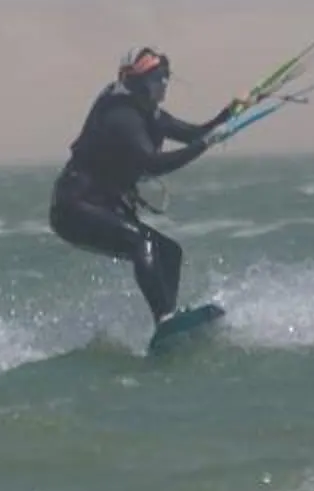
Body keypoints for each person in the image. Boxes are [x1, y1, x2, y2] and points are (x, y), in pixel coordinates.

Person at [49, 47, 245, 323]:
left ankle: (168, 323)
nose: (163, 85)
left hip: (97, 206)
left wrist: (228, 114)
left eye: (165, 78)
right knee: (143, 242)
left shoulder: (149, 114)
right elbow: (153, 164)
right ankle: (165, 319)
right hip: (75, 208)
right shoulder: (122, 116)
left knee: (170, 252)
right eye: (157, 79)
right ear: (138, 83)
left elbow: (193, 133)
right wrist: (204, 145)